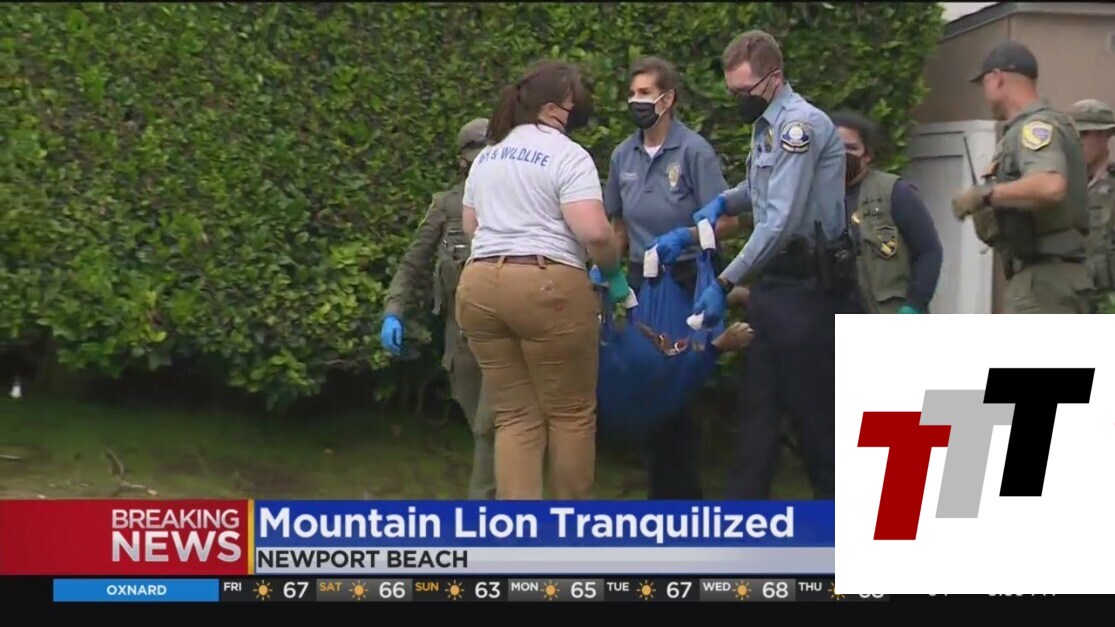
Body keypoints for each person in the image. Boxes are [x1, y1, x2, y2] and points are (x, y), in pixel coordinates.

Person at [689, 30, 855, 500]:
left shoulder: (799, 127)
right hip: (776, 288)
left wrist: (725, 281)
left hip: (808, 288)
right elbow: (761, 188)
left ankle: (837, 522)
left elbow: (779, 221)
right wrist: (724, 202)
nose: (739, 100)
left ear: (774, 78)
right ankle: (745, 523)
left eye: (745, 91)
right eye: (732, 92)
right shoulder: (767, 124)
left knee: (815, 420)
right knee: (757, 418)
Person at [455, 60, 628, 500]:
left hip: (478, 285)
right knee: (570, 413)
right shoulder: (568, 155)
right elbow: (594, 232)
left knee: (515, 415)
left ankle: (520, 529)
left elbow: (472, 227)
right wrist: (614, 277)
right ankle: (570, 529)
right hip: (545, 284)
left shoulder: (487, 157)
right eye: (573, 106)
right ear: (554, 108)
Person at [602, 56, 733, 500]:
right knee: (649, 375)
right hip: (643, 281)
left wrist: (687, 237)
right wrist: (605, 271)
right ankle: (663, 486)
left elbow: (727, 219)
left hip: (685, 277)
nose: (636, 101)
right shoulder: (623, 155)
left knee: (681, 376)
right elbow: (618, 226)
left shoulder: (693, 151)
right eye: (632, 93)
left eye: (645, 92)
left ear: (668, 98)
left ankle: (679, 494)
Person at [380, 118, 496, 500]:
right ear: (462, 161)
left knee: (492, 426)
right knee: (479, 420)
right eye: (475, 157)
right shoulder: (446, 206)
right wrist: (394, 310)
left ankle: (486, 507)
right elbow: (412, 263)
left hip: (506, 333)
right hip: (461, 337)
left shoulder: (518, 202)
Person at [951, 41, 1092, 313]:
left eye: (984, 83)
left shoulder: (1035, 127)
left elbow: (1050, 186)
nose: (984, 94)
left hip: (1045, 282)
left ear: (997, 78)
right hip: (1045, 280)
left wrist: (985, 195)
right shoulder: (1029, 128)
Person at [831, 110, 943, 314]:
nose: (843, 155)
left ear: (867, 155)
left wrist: (915, 305)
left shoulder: (894, 192)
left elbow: (929, 251)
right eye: (836, 147)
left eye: (851, 148)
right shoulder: (816, 196)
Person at [1068, 99, 1115, 310]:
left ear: (1106, 135)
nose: (1077, 142)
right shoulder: (1061, 186)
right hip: (1070, 298)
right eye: (1073, 135)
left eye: (1085, 134)